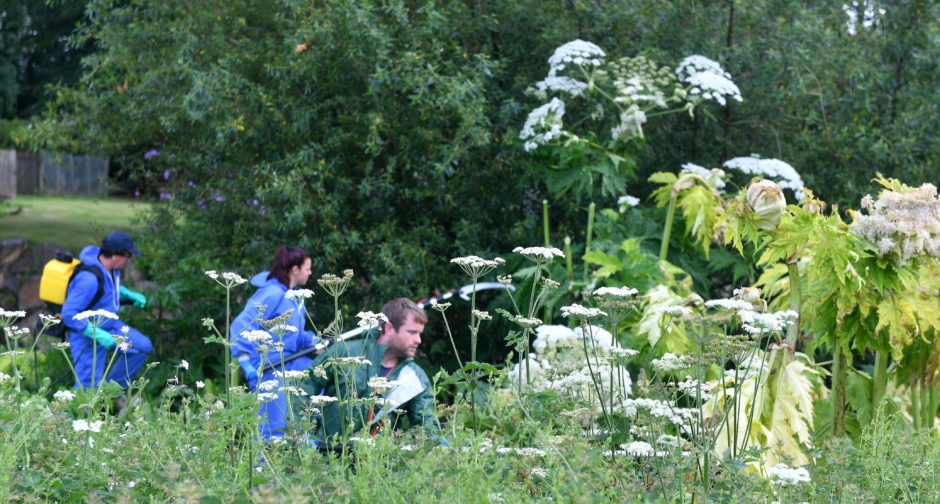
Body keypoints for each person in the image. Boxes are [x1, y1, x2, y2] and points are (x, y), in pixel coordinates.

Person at [297, 298, 439, 442]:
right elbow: (300, 389)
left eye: (419, 334)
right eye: (412, 332)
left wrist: (440, 445)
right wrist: (302, 434)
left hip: (376, 461)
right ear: (389, 328)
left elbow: (427, 424)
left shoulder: (414, 376)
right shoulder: (344, 353)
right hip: (328, 455)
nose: (418, 340)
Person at [230, 245, 319, 439]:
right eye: (307, 268)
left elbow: (295, 335)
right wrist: (245, 363)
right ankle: (263, 467)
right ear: (295, 270)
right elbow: (241, 326)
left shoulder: (294, 297)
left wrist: (315, 341)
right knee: (272, 428)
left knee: (311, 399)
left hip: (290, 364)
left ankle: (304, 452)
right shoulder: (272, 293)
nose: (310, 273)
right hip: (269, 367)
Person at [61, 231, 152, 390]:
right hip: (86, 334)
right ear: (116, 255)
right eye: (128, 256)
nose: (129, 260)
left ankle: (110, 393)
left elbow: (106, 286)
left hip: (109, 326)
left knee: (142, 347)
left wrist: (125, 293)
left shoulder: (111, 269)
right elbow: (68, 314)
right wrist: (98, 335)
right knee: (88, 386)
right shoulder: (88, 279)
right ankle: (73, 413)